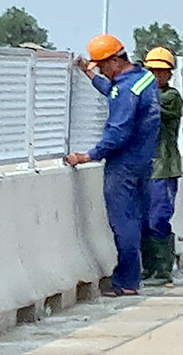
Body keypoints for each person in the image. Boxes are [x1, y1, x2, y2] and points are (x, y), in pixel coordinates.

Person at [64, 34, 160, 297]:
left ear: (115, 61)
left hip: (123, 163)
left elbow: (117, 132)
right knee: (137, 219)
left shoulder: (125, 90)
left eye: (103, 66)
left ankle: (127, 281)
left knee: (123, 222)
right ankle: (135, 275)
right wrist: (89, 74)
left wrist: (88, 156)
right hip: (144, 161)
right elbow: (112, 91)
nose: (103, 71)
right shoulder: (144, 79)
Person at [140, 46, 183, 287]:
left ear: (169, 74)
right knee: (143, 220)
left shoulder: (170, 97)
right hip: (146, 169)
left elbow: (152, 109)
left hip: (164, 168)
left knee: (158, 218)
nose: (156, 76)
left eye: (160, 72)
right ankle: (150, 268)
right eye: (151, 71)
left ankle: (163, 270)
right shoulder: (145, 95)